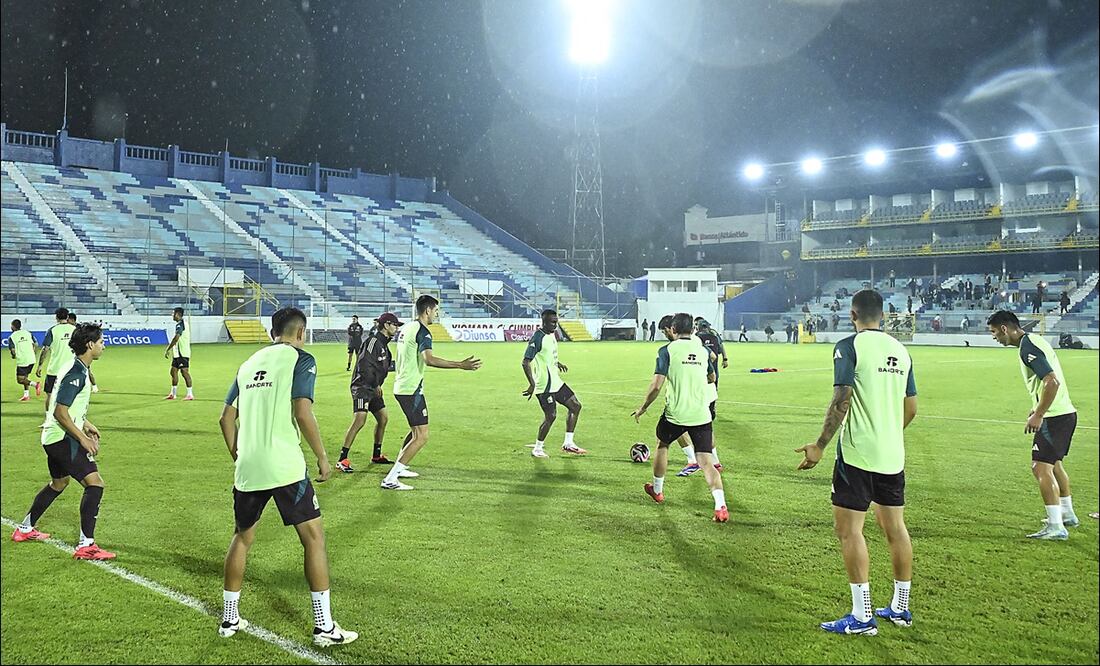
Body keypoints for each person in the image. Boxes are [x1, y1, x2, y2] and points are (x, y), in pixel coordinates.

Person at [217, 307, 357, 646]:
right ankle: (324, 627)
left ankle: (229, 620)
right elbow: (302, 411)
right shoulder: (301, 359)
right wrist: (323, 457)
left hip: (249, 466)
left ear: (271, 333)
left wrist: (240, 453)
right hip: (285, 465)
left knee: (242, 537)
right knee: (313, 538)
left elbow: (225, 419)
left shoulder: (248, 364)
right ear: (301, 333)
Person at [795, 289, 917, 635]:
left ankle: (862, 615)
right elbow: (911, 408)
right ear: (883, 316)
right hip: (892, 455)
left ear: (853, 314)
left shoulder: (849, 346)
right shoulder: (901, 350)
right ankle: (900, 608)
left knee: (849, 531)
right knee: (896, 529)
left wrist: (819, 444)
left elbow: (841, 399)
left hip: (858, 455)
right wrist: (888, 433)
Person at [12, 323, 116, 560]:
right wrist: (82, 438)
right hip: (62, 439)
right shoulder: (76, 373)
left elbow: (66, 406)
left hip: (53, 436)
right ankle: (86, 545)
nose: (103, 345)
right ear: (90, 345)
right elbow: (60, 411)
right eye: (101, 341)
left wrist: (86, 423)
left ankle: (25, 529)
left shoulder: (75, 366)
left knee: (59, 484)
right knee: (95, 484)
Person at [987, 311, 1080, 539]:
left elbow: (1052, 381)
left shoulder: (1027, 347)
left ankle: (1056, 527)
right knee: (1054, 464)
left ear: (1004, 329)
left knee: (1040, 467)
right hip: (1065, 413)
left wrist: (1039, 414)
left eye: (993, 332)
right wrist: (1038, 405)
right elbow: (1047, 382)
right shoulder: (1035, 341)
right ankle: (1067, 514)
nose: (994, 337)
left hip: (1054, 417)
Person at [632, 312, 727, 523]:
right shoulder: (702, 350)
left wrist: (643, 407)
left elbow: (656, 385)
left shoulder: (667, 350)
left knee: (662, 445)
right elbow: (711, 376)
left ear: (673, 330)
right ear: (693, 330)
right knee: (705, 461)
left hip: (675, 414)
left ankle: (657, 491)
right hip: (700, 413)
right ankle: (720, 506)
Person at [382, 295, 481, 490]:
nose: (437, 314)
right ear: (427, 310)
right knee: (422, 435)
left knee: (415, 431)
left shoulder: (407, 328)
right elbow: (429, 359)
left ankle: (399, 469)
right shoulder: (423, 332)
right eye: (436, 310)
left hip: (403, 386)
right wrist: (460, 365)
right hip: (411, 389)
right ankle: (391, 478)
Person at [338, 312, 402, 472]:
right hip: (362, 387)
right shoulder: (373, 342)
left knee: (383, 418)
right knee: (360, 419)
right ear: (386, 325)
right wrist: (376, 384)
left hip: (373, 388)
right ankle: (342, 459)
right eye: (395, 325)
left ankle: (376, 455)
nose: (397, 328)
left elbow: (384, 367)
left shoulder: (385, 347)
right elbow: (364, 365)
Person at [523, 309, 586, 458]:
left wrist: (558, 363)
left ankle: (568, 443)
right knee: (551, 416)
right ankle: (537, 448)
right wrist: (532, 384)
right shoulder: (537, 338)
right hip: (544, 385)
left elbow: (548, 356)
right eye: (552, 322)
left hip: (556, 382)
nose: (555, 325)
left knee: (575, 406)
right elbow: (525, 362)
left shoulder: (551, 335)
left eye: (556, 322)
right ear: (543, 322)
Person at [37, 308, 76, 416]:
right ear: (67, 317)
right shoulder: (74, 329)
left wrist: (40, 366)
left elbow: (45, 349)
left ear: (56, 317)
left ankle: (48, 419)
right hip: (71, 369)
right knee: (71, 394)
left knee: (50, 395)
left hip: (54, 369)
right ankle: (71, 418)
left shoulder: (52, 330)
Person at [164, 307, 194, 400]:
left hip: (182, 352)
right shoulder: (181, 324)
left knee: (184, 372)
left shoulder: (181, 324)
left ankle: (190, 394)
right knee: (173, 371)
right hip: (178, 353)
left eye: (173, 313)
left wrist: (168, 348)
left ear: (177, 314)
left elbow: (176, 337)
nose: (172, 315)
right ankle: (173, 394)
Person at [67, 312, 99, 393]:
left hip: (82, 352)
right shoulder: (73, 328)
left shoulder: (79, 329)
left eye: (68, 320)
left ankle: (94, 386)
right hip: (73, 352)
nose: (67, 321)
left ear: (72, 320)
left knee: (87, 369)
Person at [9, 319, 39, 401]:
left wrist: (13, 356)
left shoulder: (12, 337)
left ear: (13, 326)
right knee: (25, 377)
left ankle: (35, 384)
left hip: (22, 360)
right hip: (31, 359)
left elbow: (13, 350)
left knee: (20, 380)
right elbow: (36, 344)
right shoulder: (28, 333)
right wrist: (34, 353)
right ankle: (26, 395)